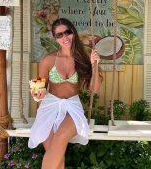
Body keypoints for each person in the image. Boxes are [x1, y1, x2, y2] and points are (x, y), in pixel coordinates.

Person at [28, 18, 101, 169]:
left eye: (67, 32)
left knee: (60, 137)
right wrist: (37, 94)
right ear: (55, 38)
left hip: (72, 107)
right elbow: (39, 87)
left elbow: (93, 88)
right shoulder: (48, 60)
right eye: (59, 35)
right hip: (49, 107)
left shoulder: (83, 58)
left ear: (73, 32)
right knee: (56, 155)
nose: (64, 38)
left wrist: (94, 66)